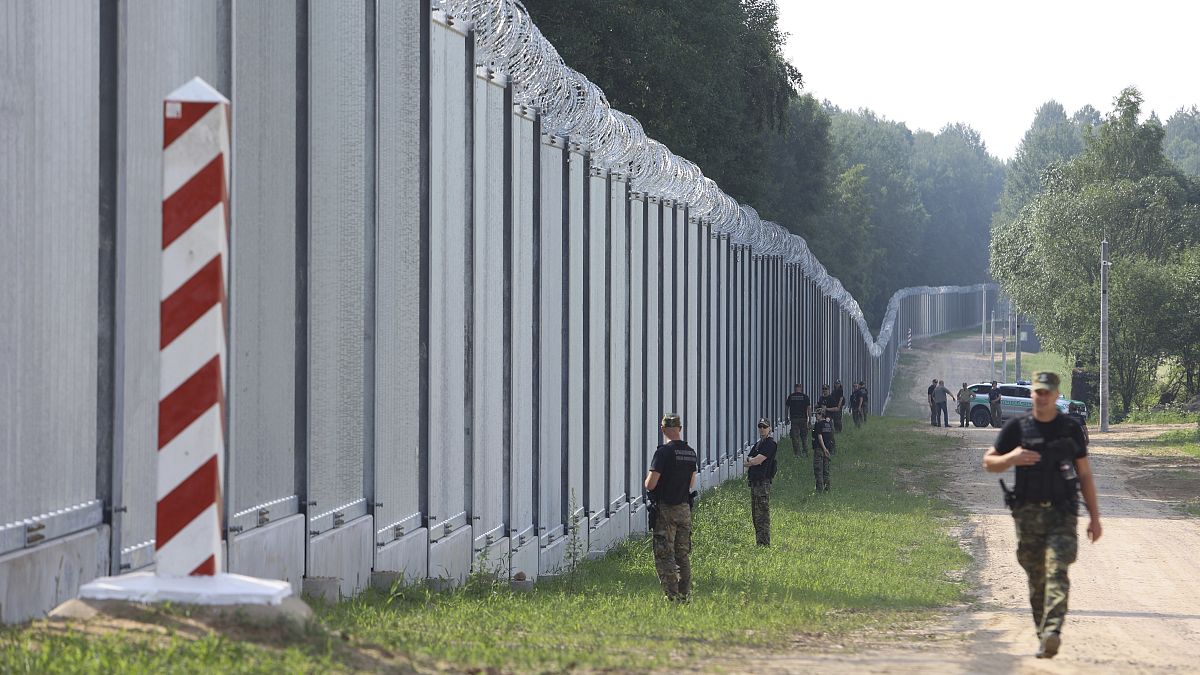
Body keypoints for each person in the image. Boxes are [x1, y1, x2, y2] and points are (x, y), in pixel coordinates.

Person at [983, 371, 1102, 659]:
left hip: (1063, 512)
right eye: (1039, 391)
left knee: (1057, 570)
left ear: (1057, 394)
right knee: (1036, 579)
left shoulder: (1070, 429)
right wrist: (1012, 458)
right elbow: (989, 462)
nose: (1043, 396)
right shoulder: (1017, 427)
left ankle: (1053, 631)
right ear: (1033, 393)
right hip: (1028, 514)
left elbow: (1084, 474)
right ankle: (1043, 634)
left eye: (1048, 391)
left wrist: (1095, 517)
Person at [644, 413, 699, 602]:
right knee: (682, 554)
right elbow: (692, 483)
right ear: (680, 429)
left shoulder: (663, 453)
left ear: (662, 429)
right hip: (684, 509)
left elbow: (651, 484)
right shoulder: (690, 452)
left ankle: (672, 596)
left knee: (664, 554)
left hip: (666, 510)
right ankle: (685, 595)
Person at [745, 418, 778, 546]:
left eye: (765, 427)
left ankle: (764, 543)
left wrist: (751, 460)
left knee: (762, 515)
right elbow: (747, 461)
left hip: (762, 484)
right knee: (756, 516)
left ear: (769, 428)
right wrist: (751, 460)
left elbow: (757, 460)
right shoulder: (759, 444)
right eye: (760, 426)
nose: (762, 429)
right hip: (754, 483)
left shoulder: (770, 444)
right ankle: (759, 542)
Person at [811, 407, 834, 491]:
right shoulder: (829, 424)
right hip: (828, 449)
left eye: (817, 414)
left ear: (821, 415)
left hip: (820, 449)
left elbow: (820, 437)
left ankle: (819, 489)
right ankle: (827, 488)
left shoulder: (819, 424)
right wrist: (828, 449)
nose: (816, 416)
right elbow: (831, 437)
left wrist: (823, 449)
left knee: (818, 470)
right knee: (826, 470)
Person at [785, 383, 811, 457]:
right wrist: (809, 420)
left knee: (795, 437)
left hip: (794, 419)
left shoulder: (791, 396)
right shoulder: (805, 397)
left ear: (795, 388)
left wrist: (786, 417)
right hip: (803, 419)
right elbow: (809, 408)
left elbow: (787, 407)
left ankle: (797, 454)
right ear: (801, 388)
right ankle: (805, 452)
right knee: (804, 436)